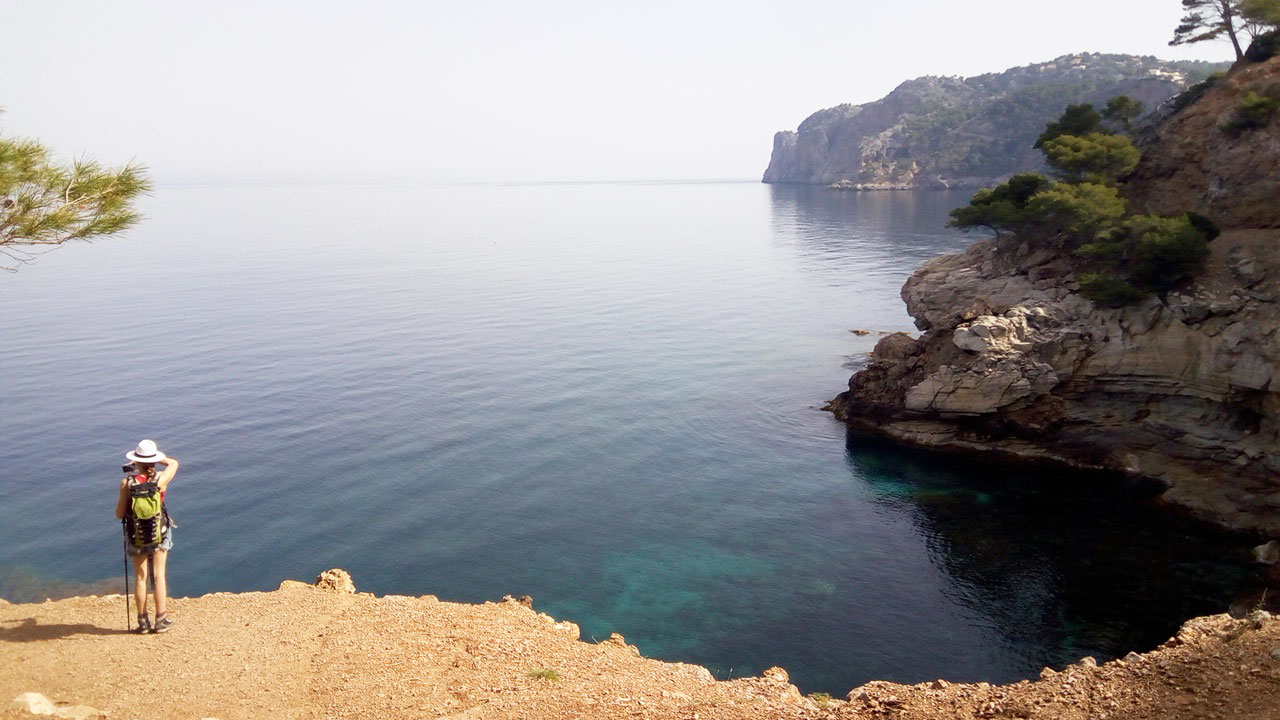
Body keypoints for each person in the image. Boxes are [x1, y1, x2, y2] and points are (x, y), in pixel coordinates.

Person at [115, 439, 179, 634]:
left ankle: (142, 622)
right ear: (153, 460)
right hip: (159, 533)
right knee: (159, 575)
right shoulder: (160, 480)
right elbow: (174, 463)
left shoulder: (128, 483)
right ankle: (161, 619)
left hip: (137, 536)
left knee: (141, 578)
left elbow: (119, 514)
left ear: (136, 461)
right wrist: (160, 459)